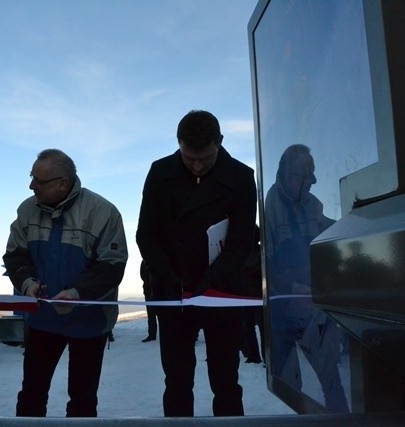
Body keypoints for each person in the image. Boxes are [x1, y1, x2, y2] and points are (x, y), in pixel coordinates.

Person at [136, 110, 256, 417]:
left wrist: (213, 276)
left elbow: (243, 241)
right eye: (189, 159)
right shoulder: (160, 173)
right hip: (173, 291)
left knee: (227, 381)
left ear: (220, 142)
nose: (197, 165)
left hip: (222, 292)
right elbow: (145, 234)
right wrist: (165, 272)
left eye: (205, 157)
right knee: (176, 382)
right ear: (178, 144)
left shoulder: (241, 178)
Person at [3, 148, 127, 417]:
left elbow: (112, 265)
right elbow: (15, 255)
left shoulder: (104, 212)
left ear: (63, 183)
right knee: (31, 395)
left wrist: (77, 293)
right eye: (31, 177)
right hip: (41, 321)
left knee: (82, 400)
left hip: (89, 324)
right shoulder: (26, 210)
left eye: (39, 181)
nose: (31, 185)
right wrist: (27, 284)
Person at [265, 144, 349, 413]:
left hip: (312, 309)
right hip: (283, 307)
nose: (304, 183)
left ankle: (341, 419)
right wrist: (289, 286)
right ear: (283, 175)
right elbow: (268, 257)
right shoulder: (270, 205)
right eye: (297, 176)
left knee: (331, 378)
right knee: (289, 383)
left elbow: (325, 240)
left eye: (308, 176)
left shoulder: (314, 206)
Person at [241, 225, 264, 364]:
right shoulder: (243, 253)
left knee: (261, 328)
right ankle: (253, 355)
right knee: (247, 327)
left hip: (257, 296)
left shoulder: (260, 253)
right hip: (246, 296)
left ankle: (260, 355)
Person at [140, 260, 157, 342]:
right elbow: (142, 274)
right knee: (150, 315)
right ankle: (152, 334)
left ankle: (153, 334)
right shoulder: (144, 261)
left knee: (161, 315)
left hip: (157, 291)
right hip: (148, 290)